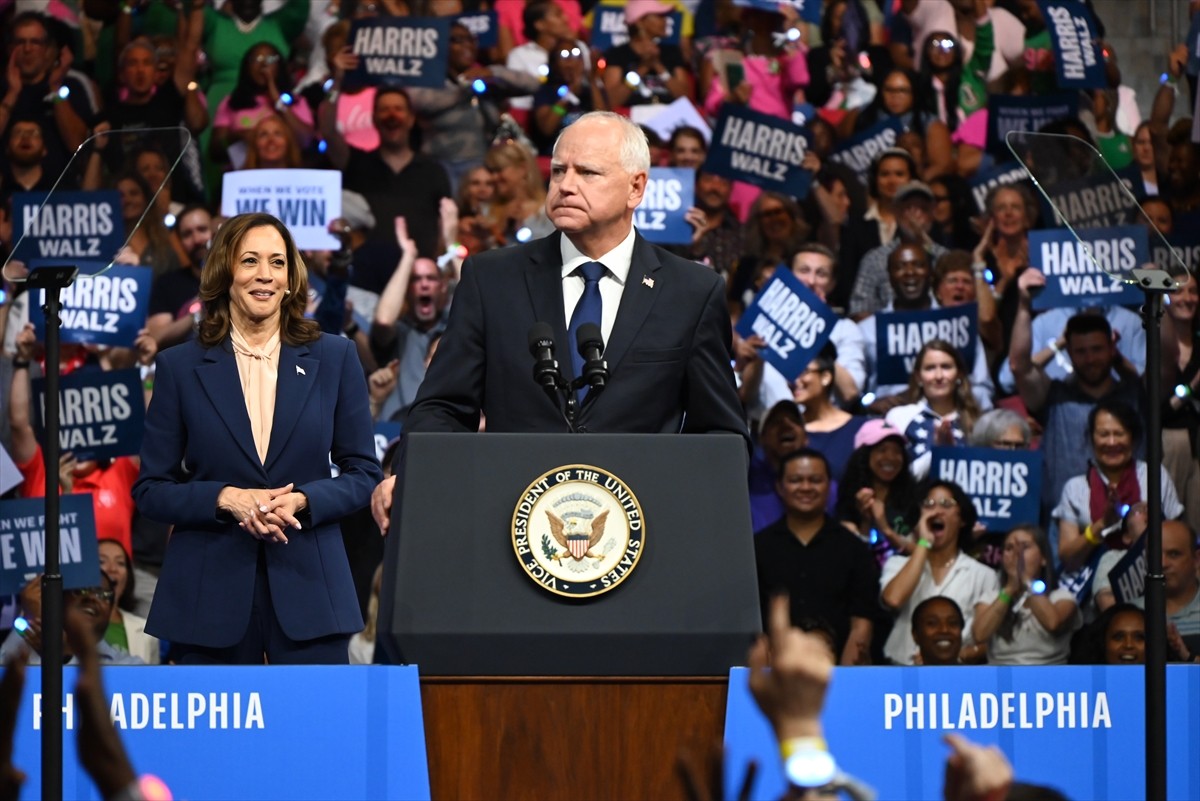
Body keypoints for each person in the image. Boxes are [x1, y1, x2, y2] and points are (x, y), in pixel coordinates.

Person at [371, 112, 748, 530]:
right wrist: (410, 473)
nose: (566, 185)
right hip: (508, 522)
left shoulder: (692, 292)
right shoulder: (491, 279)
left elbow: (720, 434)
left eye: (587, 172)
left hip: (644, 532)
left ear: (636, 187)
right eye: (558, 171)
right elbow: (443, 405)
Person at [133, 212, 383, 664]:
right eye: (249, 260)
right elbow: (151, 490)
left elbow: (364, 473)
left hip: (311, 590)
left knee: (314, 733)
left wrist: (304, 501)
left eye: (277, 262)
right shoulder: (179, 367)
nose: (264, 275)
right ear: (224, 271)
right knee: (217, 738)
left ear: (291, 277)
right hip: (209, 595)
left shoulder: (335, 357)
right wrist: (226, 498)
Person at [754, 449, 878, 666]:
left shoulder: (853, 548)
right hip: (774, 673)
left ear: (829, 486)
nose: (805, 487)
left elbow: (861, 622)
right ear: (780, 487)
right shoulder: (758, 548)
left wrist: (844, 680)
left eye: (815, 480)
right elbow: (752, 622)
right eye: (795, 480)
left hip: (837, 672)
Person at [1052, 400, 1182, 587]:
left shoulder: (1154, 475)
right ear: (1091, 438)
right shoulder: (1075, 488)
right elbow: (1069, 559)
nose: (1112, 442)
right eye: (1104, 434)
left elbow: (1176, 539)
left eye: (1119, 434)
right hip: (1092, 585)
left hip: (1153, 580)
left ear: (1134, 438)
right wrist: (1102, 525)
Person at [880, 479, 998, 665]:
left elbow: (985, 639)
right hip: (899, 671)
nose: (937, 511)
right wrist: (924, 543)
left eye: (946, 504)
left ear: (962, 519)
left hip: (954, 675)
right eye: (928, 504)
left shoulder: (983, 575)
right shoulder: (897, 564)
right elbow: (894, 599)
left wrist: (950, 655)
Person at [972, 525, 1080, 665]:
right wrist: (1010, 589)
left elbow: (1053, 623)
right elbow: (980, 635)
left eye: (1025, 547)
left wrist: (1026, 581)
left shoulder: (1061, 597)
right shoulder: (992, 597)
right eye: (1009, 548)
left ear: (1043, 558)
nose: (1017, 554)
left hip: (1049, 680)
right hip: (1000, 680)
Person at [884, 340, 981, 479]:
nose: (939, 376)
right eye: (930, 368)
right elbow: (895, 479)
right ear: (918, 377)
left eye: (946, 367)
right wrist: (938, 453)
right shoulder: (899, 416)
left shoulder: (978, 421)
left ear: (959, 374)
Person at [0, 573, 145, 666]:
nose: (92, 597)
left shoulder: (131, 666)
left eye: (103, 595)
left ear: (112, 608)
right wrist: (33, 618)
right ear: (60, 599)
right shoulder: (19, 647)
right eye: (82, 590)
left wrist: (61, 655)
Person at [837, 419, 919, 564]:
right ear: (864, 455)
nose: (891, 458)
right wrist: (866, 523)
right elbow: (850, 559)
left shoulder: (914, 498)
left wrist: (886, 530)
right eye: (882, 450)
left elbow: (923, 551)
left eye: (897, 451)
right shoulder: (849, 500)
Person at [98, 539, 160, 665]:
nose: (112, 568)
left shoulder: (146, 633)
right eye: (102, 561)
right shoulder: (71, 628)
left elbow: (152, 680)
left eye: (120, 563)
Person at [911, 595, 965, 666]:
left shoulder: (980, 676)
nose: (944, 630)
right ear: (915, 635)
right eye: (932, 623)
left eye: (952, 623)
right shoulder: (900, 676)